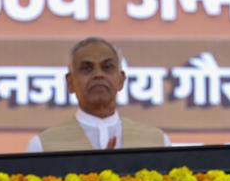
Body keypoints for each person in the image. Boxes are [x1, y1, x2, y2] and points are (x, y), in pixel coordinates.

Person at [27, 37, 169, 152]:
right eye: (87, 68)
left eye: (107, 67)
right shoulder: (43, 146)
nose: (98, 74)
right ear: (70, 83)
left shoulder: (157, 142)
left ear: (121, 80)